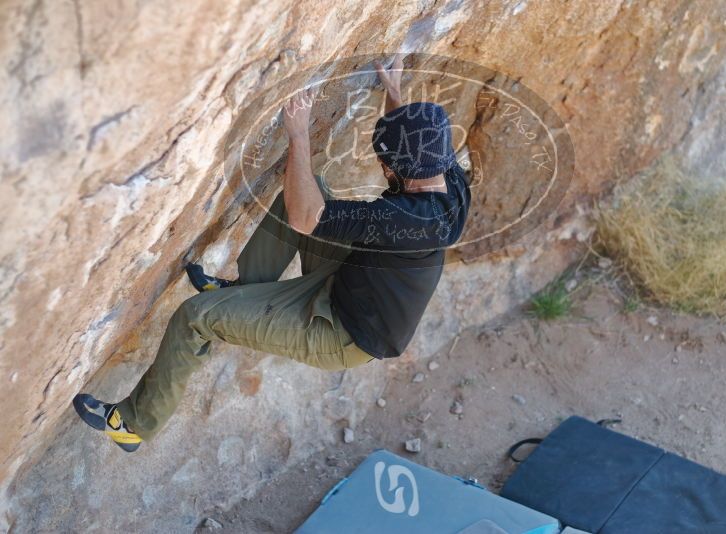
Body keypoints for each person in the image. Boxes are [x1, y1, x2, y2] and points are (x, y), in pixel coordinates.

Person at [72, 55, 471, 452]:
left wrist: (298, 136)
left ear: (392, 172)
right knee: (302, 188)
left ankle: (135, 424)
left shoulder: (398, 217)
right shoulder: (451, 184)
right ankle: (248, 291)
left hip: (342, 333)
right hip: (354, 280)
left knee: (193, 318)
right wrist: (395, 90)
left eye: (384, 163)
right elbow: (412, 145)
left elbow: (306, 219)